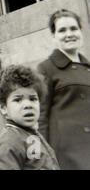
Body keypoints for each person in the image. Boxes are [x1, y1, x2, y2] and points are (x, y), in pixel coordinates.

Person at [38, 9, 90, 169]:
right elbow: (40, 116)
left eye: (73, 28)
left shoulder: (88, 67)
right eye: (62, 30)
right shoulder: (46, 68)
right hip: (66, 151)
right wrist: (43, 156)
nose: (69, 34)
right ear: (54, 36)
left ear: (81, 31)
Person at [0, 65, 59, 170]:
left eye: (33, 99)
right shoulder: (9, 141)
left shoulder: (32, 133)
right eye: (18, 100)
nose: (28, 105)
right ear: (4, 108)